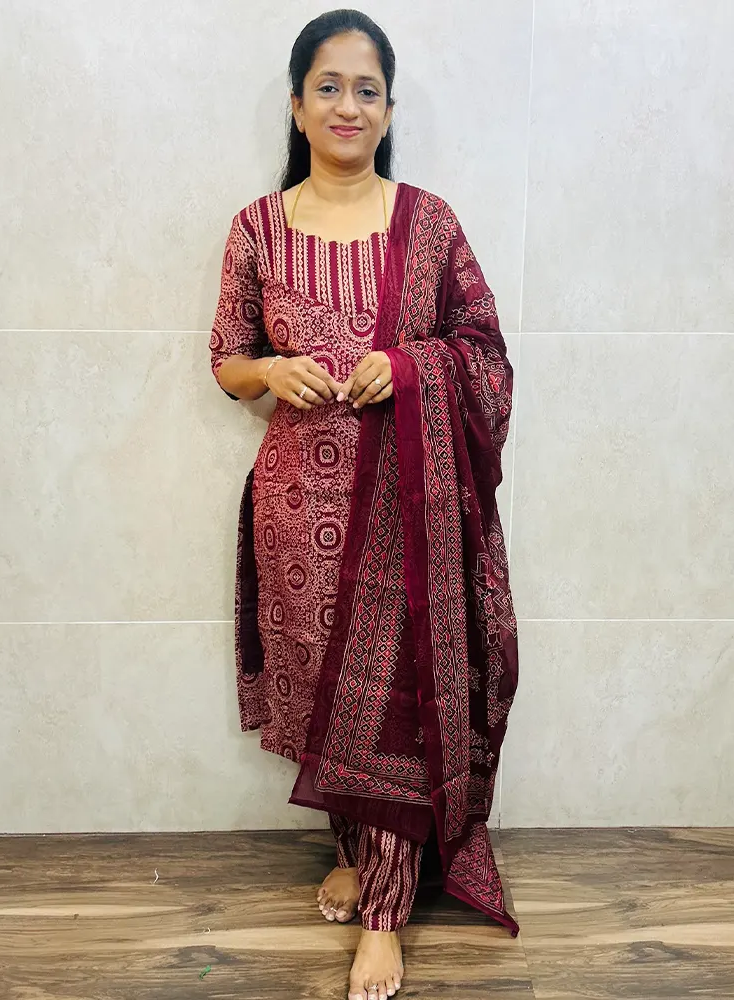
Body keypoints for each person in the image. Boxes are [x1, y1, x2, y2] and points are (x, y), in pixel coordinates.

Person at [209, 10, 520, 1000]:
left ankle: (384, 915)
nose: (348, 105)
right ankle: (356, 852)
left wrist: (410, 365)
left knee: (396, 702)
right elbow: (225, 359)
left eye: (367, 89)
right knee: (324, 691)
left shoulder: (429, 224)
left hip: (409, 513)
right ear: (297, 104)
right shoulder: (256, 228)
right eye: (329, 86)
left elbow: (484, 349)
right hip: (296, 510)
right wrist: (269, 371)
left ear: (387, 110)